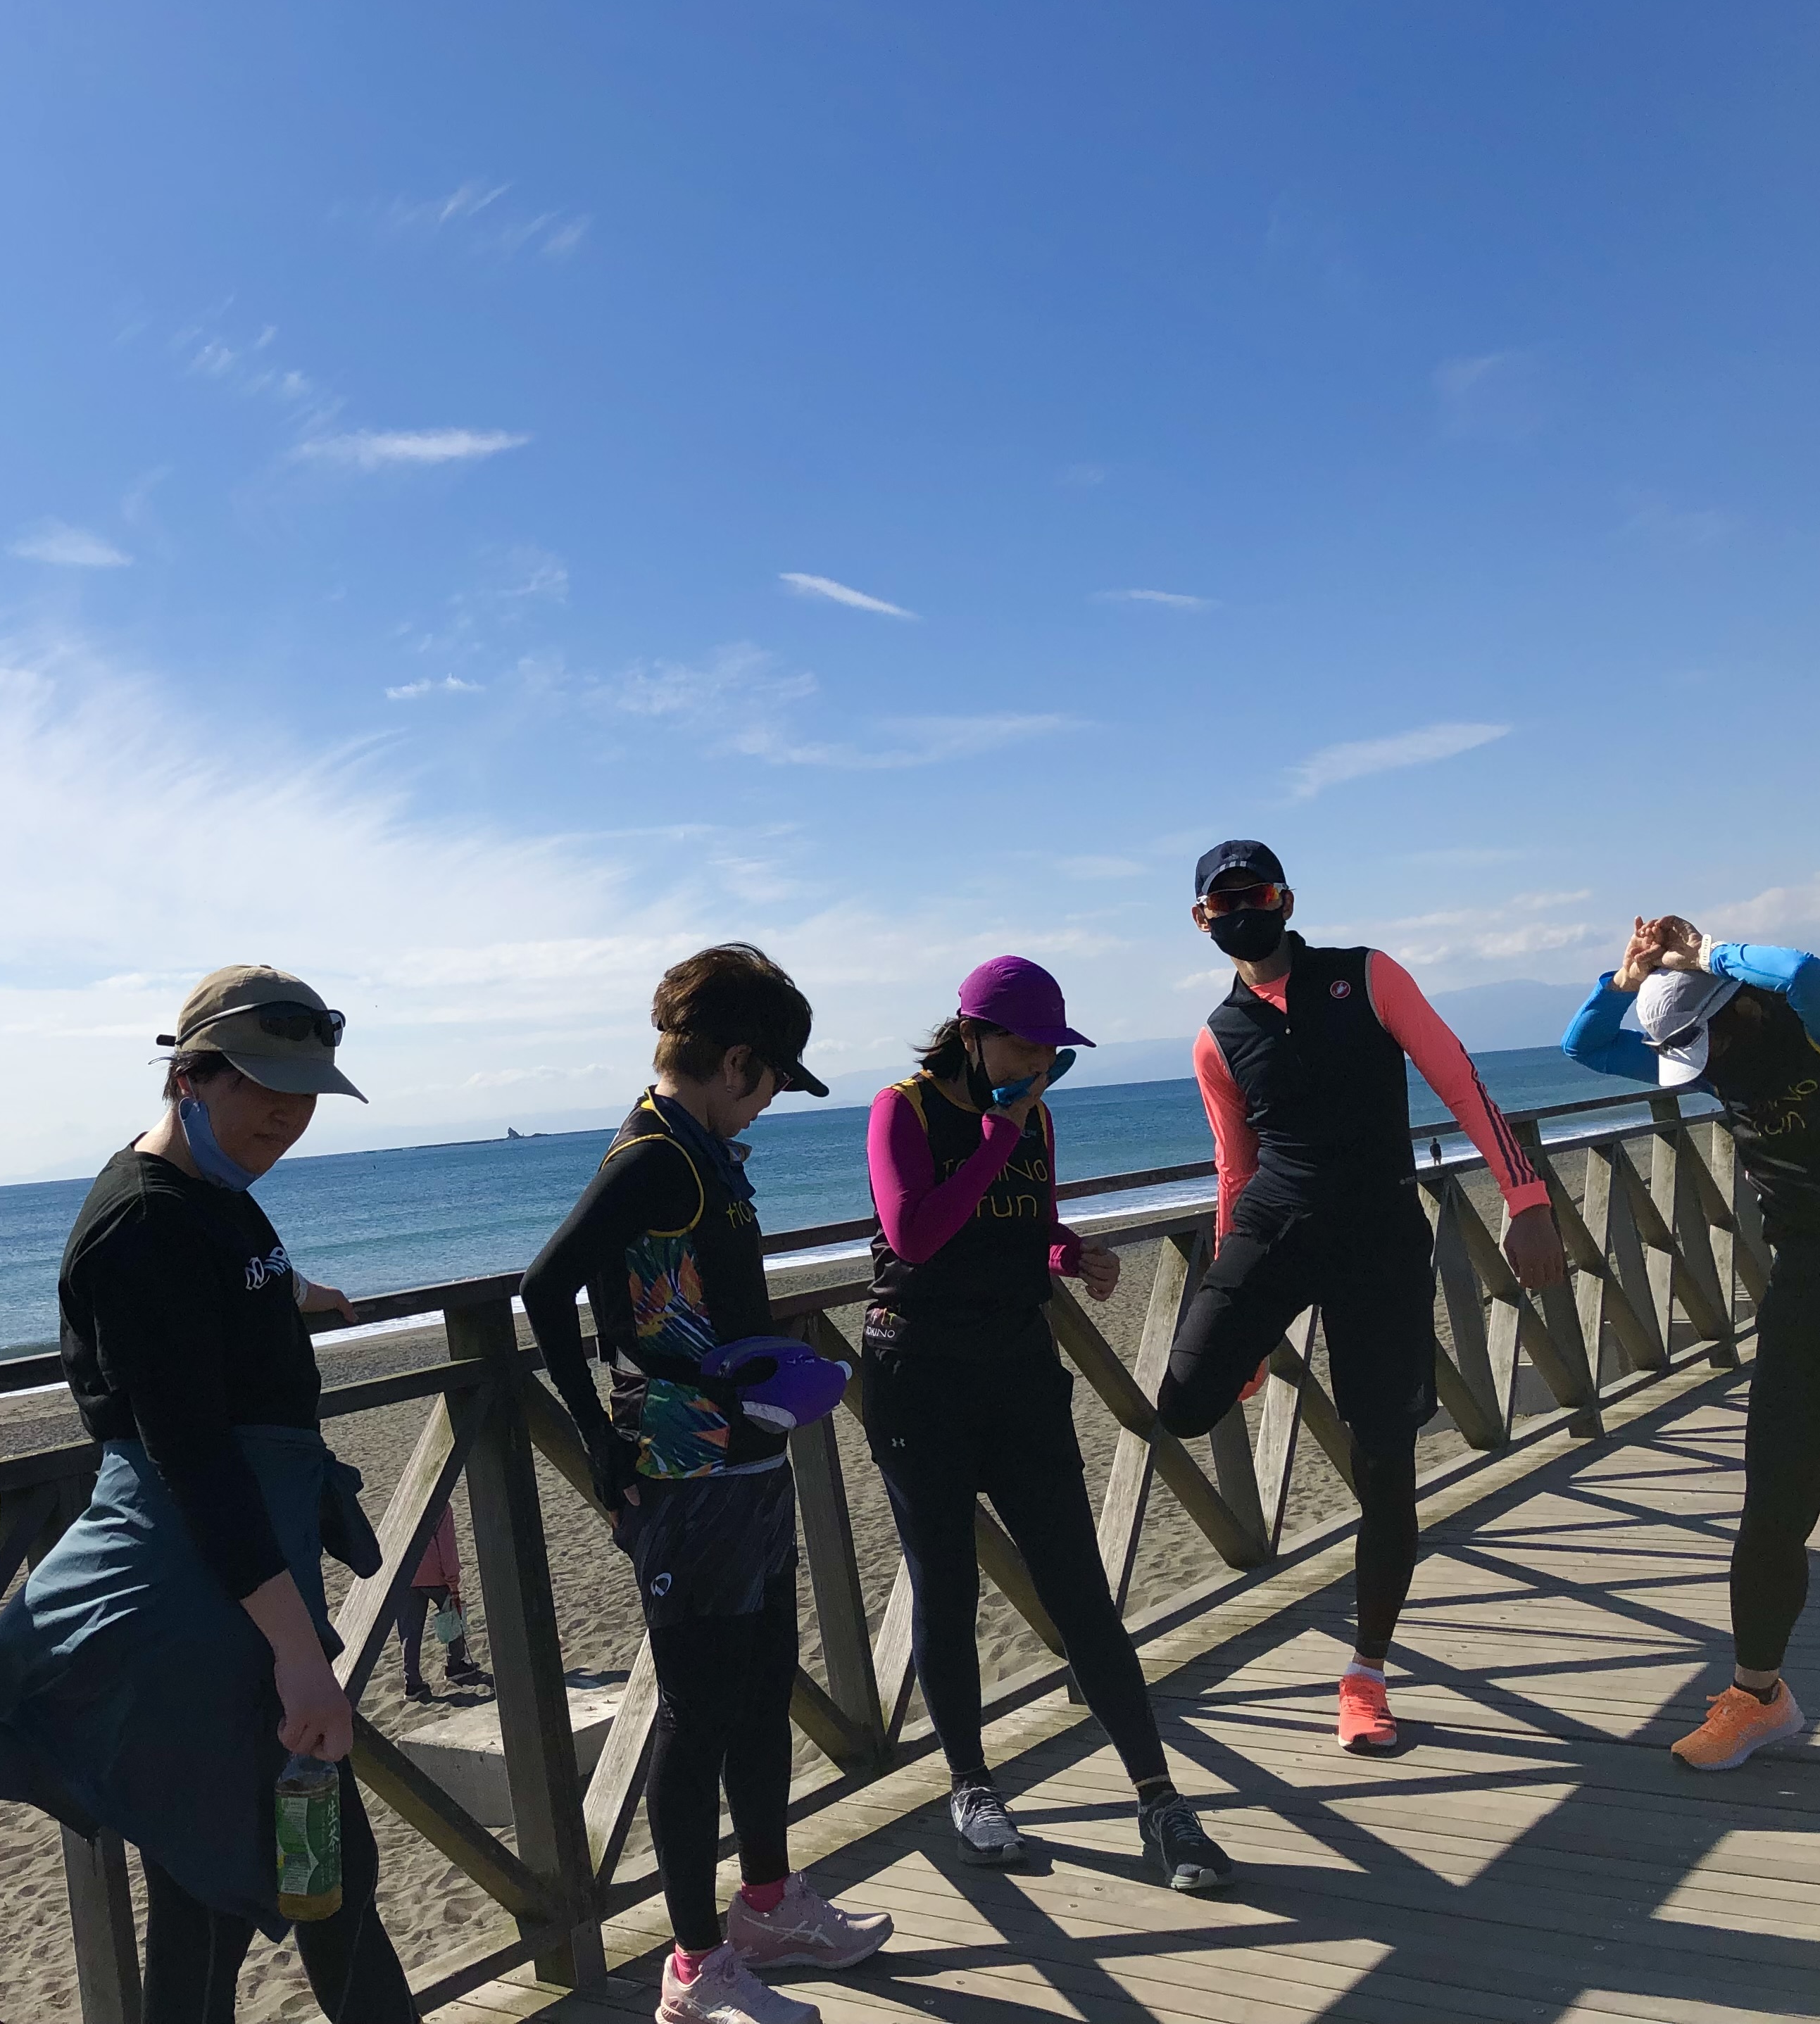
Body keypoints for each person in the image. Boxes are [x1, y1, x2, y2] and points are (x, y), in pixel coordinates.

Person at [0, 967, 418, 2024]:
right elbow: (193, 1460)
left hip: (230, 1586)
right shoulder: (141, 1223)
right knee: (314, 1879)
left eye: (307, 1092)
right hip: (197, 1595)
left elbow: (213, 1291)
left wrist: (293, 1296)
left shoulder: (204, 1193)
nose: (289, 1114)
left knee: (223, 1897)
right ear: (190, 1076)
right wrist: (299, 1658)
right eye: (264, 1087)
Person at [520, 945, 891, 2024]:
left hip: (747, 1456)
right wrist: (597, 1438)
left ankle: (768, 1905)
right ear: (738, 1062)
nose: (770, 1102)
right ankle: (693, 1967)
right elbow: (547, 1287)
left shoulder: (701, 1152)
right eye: (771, 1081)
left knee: (764, 1685)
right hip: (682, 1470)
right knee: (698, 1710)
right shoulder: (653, 1157)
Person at [1155, 842, 1566, 1758]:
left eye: (1256, 895)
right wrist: (1241, 1310)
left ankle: (1365, 1674)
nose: (1241, 912)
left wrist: (1527, 1198)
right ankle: (1259, 1353)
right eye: (1223, 903)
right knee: (1183, 1403)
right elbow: (1234, 1172)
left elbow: (1460, 1080)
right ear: (1201, 919)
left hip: (1379, 1239)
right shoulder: (1217, 1036)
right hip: (1275, 1229)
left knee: (1385, 1465)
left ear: (1286, 900)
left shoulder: (1367, 976)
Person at [1564, 918, 1820, 1804]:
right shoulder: (1710, 1058)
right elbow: (1584, 1047)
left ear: (1740, 1010)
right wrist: (1624, 980)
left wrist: (1703, 953)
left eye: (1699, 1038)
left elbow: (1811, 973)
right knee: (1772, 1511)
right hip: (1807, 1300)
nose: (1692, 1063)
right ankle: (1759, 1698)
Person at [862, 956, 1237, 1890]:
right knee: (946, 1587)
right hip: (919, 1376)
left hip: (1019, 1371)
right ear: (972, 1034)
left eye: (1051, 1051)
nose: (1039, 1065)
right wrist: (998, 1134)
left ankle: (1161, 1802)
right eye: (1025, 1046)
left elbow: (1030, 1225)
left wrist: (1073, 1256)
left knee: (1079, 1589)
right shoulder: (903, 1111)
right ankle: (972, 1787)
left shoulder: (1033, 1119)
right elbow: (914, 1234)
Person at [396, 1497, 488, 1700]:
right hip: (435, 1575)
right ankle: (455, 1665)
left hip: (406, 1574)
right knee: (452, 1615)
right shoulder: (442, 1506)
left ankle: (412, 1682)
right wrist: (453, 1580)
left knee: (410, 1630)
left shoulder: (403, 1504)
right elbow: (447, 1547)